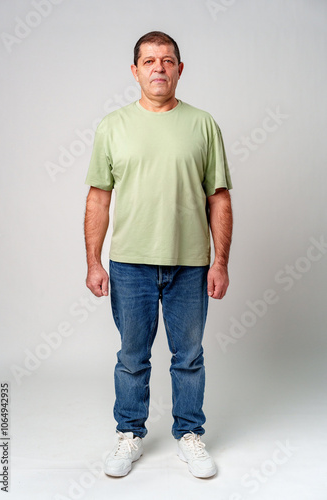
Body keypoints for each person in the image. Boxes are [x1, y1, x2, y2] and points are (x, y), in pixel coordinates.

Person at [84, 31, 233, 479]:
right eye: (149, 61)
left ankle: (189, 434)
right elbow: (98, 198)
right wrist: (94, 261)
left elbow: (219, 199)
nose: (159, 68)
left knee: (188, 356)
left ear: (179, 69)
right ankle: (129, 434)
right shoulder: (112, 126)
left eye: (167, 60)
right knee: (132, 356)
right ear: (135, 71)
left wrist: (221, 262)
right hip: (129, 264)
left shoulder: (203, 124)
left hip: (191, 263)